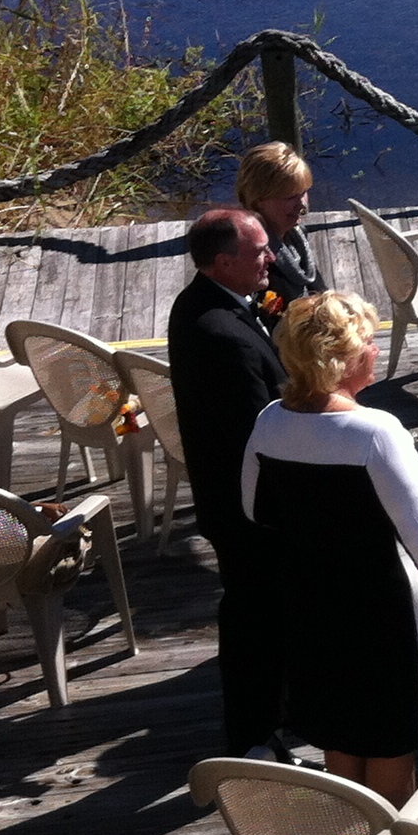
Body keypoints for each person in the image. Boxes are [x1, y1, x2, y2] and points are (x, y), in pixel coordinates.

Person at [244, 292, 418, 804]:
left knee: (340, 735)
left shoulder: (269, 422)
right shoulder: (376, 432)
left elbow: (255, 509)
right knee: (391, 743)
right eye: (369, 342)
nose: (375, 351)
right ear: (342, 358)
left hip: (312, 602)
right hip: (383, 611)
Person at [166, 208, 288, 757]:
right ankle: (256, 737)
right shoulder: (221, 335)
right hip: (249, 509)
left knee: (257, 614)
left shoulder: (199, 302)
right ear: (222, 262)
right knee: (257, 623)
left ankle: (269, 717)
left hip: (228, 498)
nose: (271, 258)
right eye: (259, 251)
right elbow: (260, 435)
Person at [236, 141, 323, 321]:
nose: (302, 204)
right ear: (259, 200)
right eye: (291, 197)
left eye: (304, 192)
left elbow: (319, 289)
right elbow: (268, 317)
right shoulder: (254, 258)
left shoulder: (295, 236)